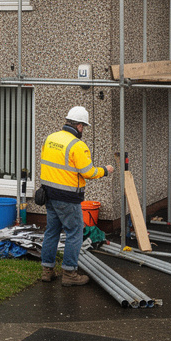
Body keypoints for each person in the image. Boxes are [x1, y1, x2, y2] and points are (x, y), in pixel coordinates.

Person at [38, 106, 114, 286]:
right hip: (68, 198)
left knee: (51, 232)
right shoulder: (77, 145)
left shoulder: (50, 138)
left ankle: (47, 271)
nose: (83, 130)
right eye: (83, 127)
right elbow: (88, 172)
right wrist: (105, 170)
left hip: (49, 195)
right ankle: (70, 274)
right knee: (75, 233)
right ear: (79, 126)